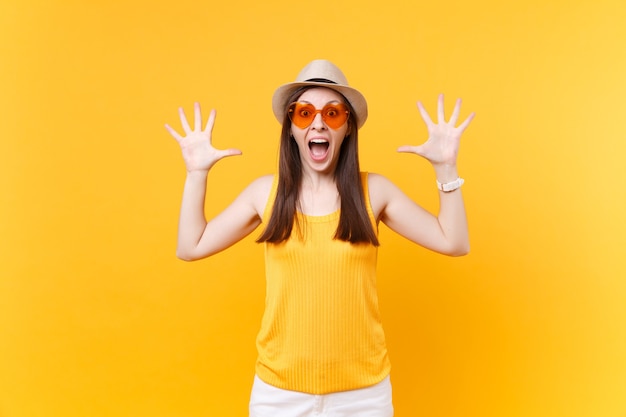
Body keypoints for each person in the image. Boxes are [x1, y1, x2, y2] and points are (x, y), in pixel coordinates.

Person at [165, 59, 474, 417]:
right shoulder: (265, 193)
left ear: (347, 129)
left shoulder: (373, 191)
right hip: (278, 396)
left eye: (332, 114)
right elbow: (190, 246)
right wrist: (196, 174)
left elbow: (454, 242)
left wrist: (446, 168)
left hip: (363, 397)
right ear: (291, 129)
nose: (318, 123)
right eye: (304, 113)